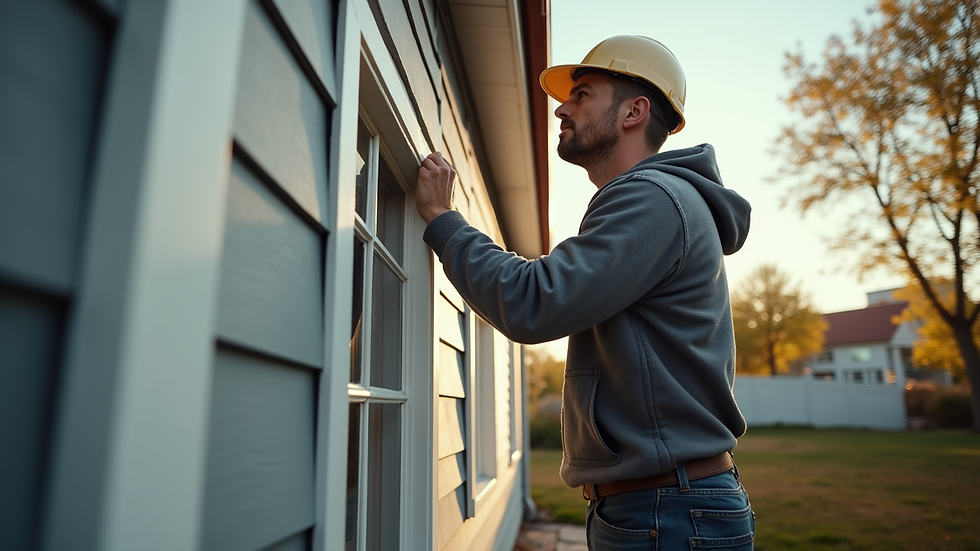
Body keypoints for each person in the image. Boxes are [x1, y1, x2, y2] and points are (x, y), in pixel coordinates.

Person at [417, 35, 755, 550]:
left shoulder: (653, 200)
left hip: (667, 512)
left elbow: (535, 302)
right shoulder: (651, 201)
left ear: (634, 112)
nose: (562, 108)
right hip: (657, 506)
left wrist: (445, 222)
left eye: (583, 94)